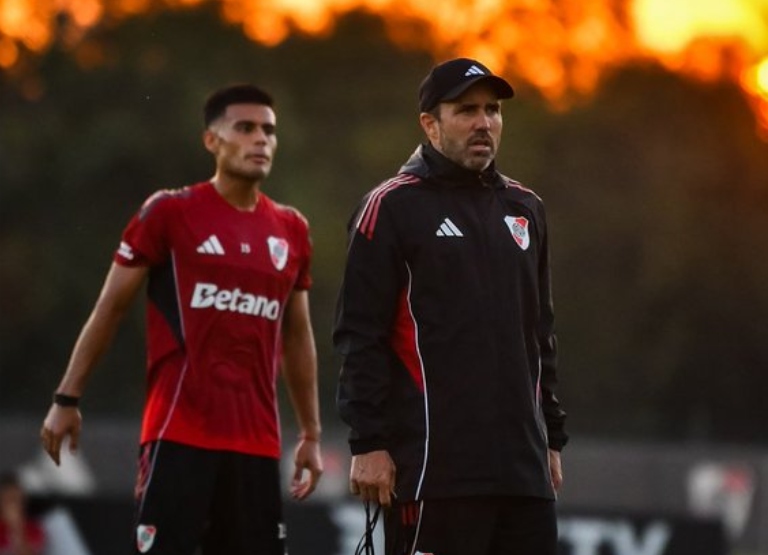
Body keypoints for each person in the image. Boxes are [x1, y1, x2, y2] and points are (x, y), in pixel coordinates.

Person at [40, 84, 323, 555]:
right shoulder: (170, 212)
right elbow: (110, 307)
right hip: (178, 436)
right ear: (212, 140)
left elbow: (297, 337)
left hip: (256, 445)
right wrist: (66, 398)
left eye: (269, 131)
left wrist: (311, 432)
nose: (261, 139)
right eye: (245, 128)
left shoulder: (291, 228)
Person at [334, 58, 568, 555]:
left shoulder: (526, 208)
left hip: (523, 474)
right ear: (430, 123)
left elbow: (540, 333)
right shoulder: (391, 206)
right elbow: (360, 334)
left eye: (492, 110)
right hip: (435, 471)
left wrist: (550, 437)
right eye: (466, 110)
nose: (484, 122)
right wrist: (368, 442)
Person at [0, 471, 45, 555]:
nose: (14, 505)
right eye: (9, 500)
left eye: (17, 500)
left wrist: (16, 528)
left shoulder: (34, 530)